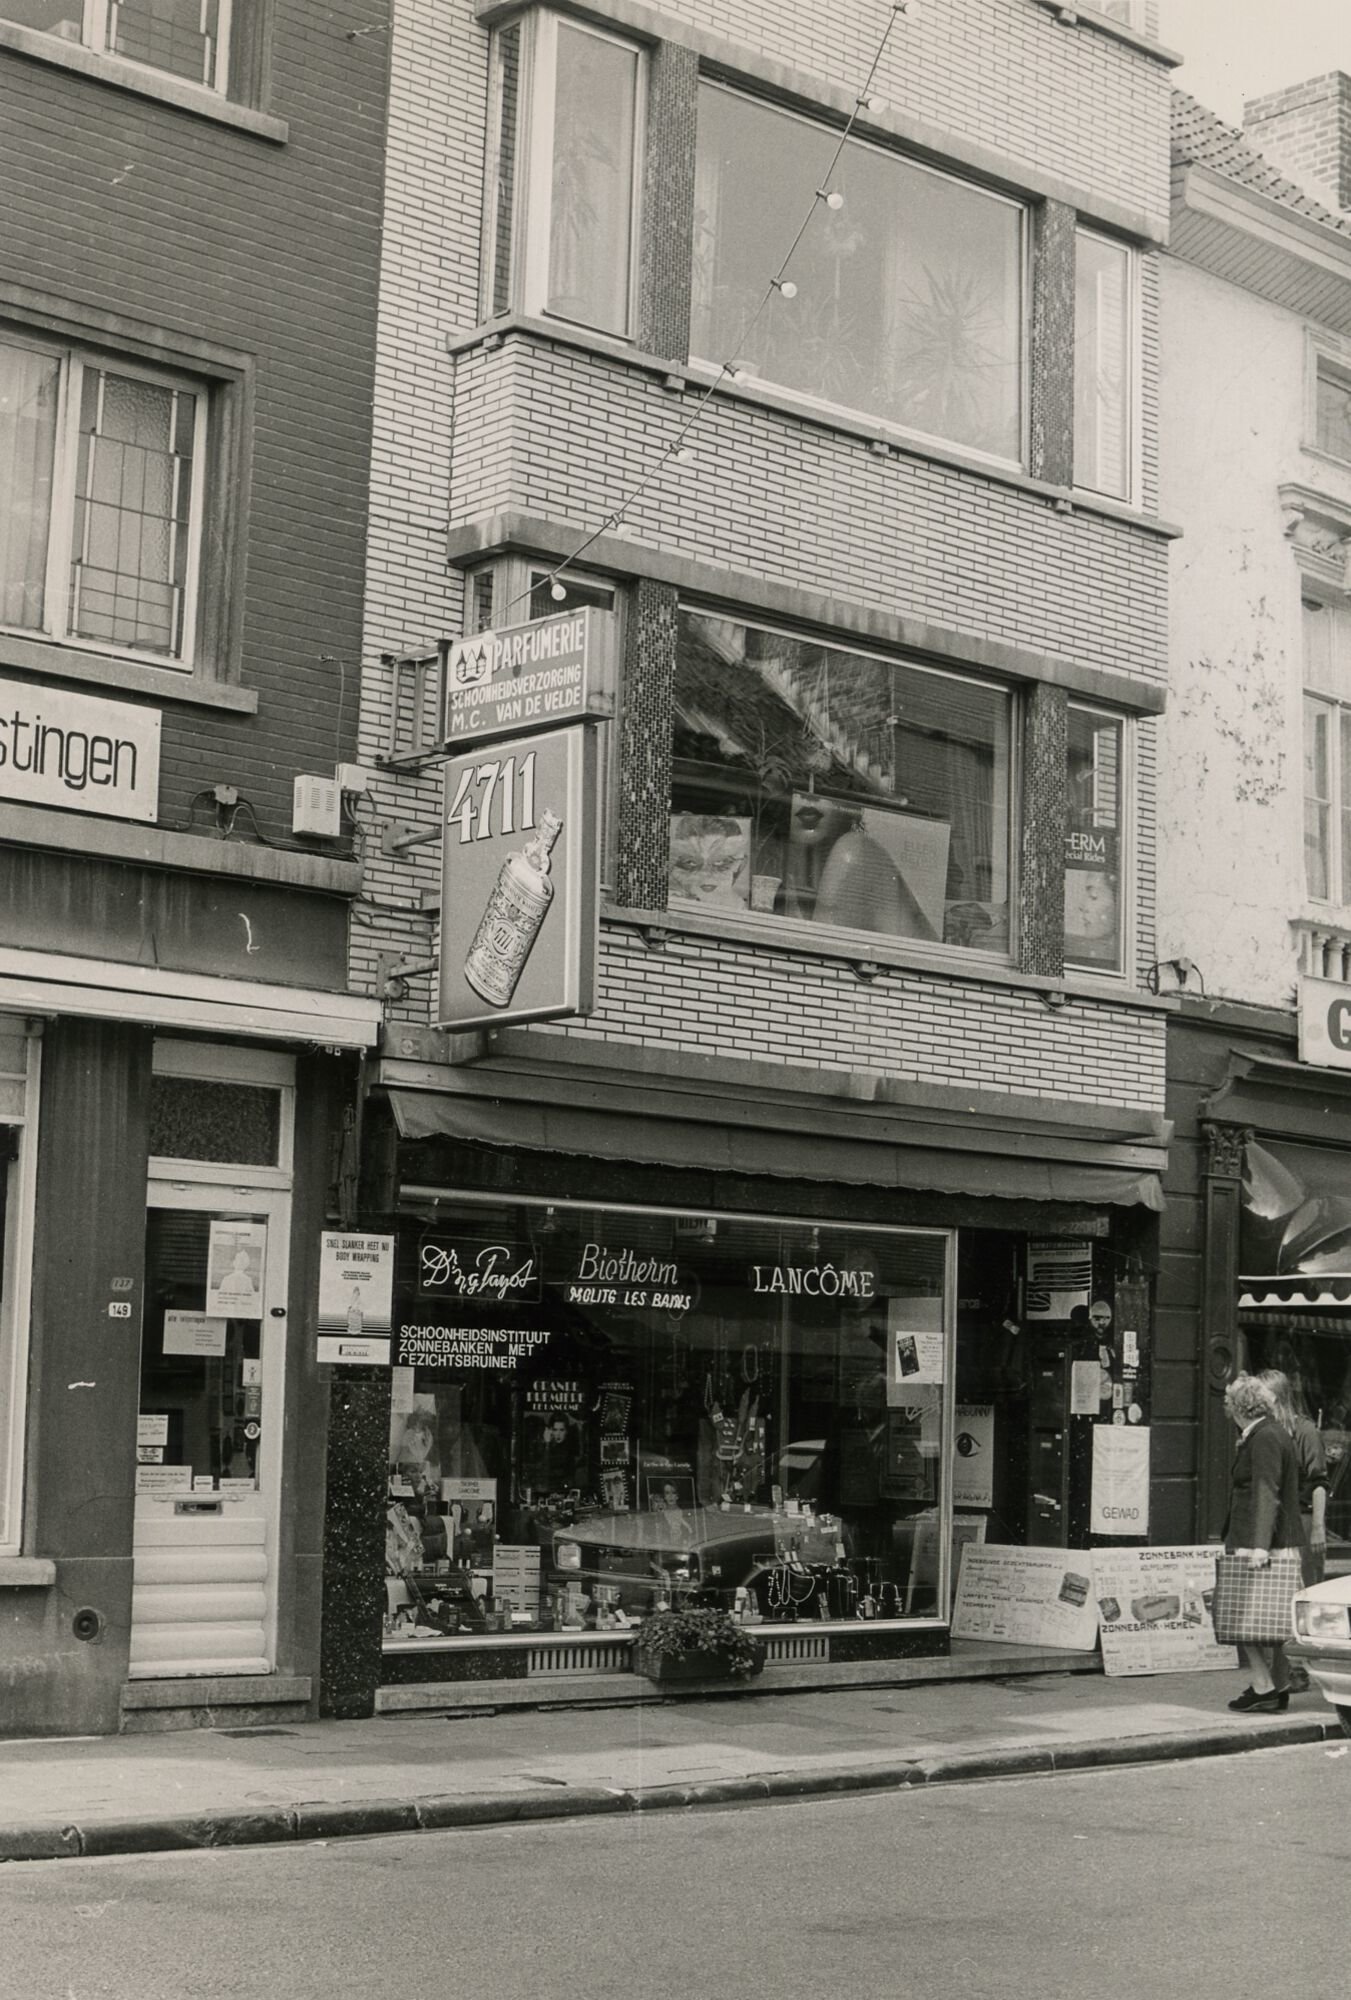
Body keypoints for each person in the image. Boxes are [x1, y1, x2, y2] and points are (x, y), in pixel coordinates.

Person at [1221, 1373, 1302, 1713]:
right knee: (1265, 1619)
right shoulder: (1269, 1432)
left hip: (1259, 1544)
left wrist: (1258, 1547)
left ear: (1239, 1407)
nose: (1226, 1408)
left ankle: (1264, 1685)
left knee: (1239, 1616)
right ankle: (1275, 1686)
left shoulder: (1265, 1437)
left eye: (1228, 1403)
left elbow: (1267, 1491)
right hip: (1263, 1540)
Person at [1260, 1366, 1328, 1693]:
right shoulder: (1267, 1431)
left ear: (1277, 1395)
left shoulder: (1304, 1430)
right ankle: (1288, 1672)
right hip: (1274, 1525)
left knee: (1303, 1599)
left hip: (1300, 1522)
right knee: (1277, 1601)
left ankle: (1301, 1669)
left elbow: (1318, 1483)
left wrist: (1318, 1528)